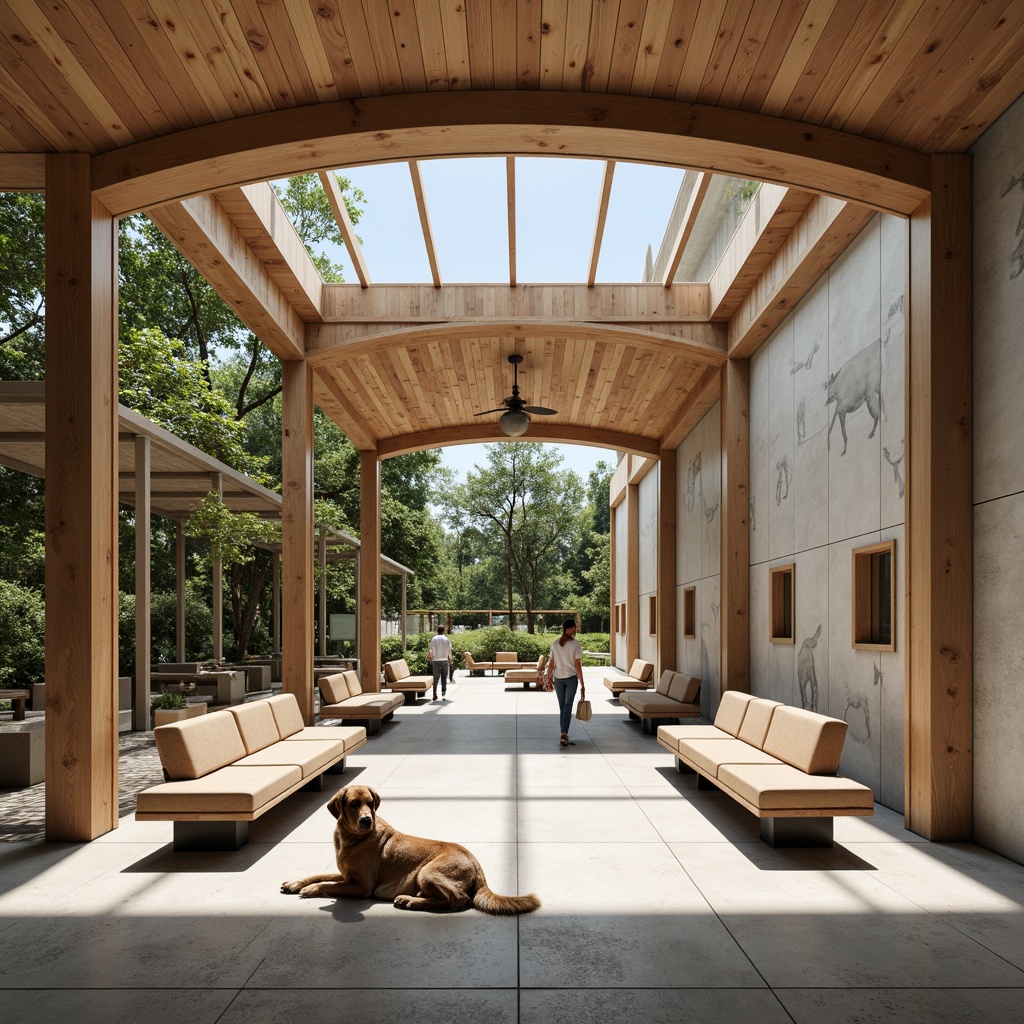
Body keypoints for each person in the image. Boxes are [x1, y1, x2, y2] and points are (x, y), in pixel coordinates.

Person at [546, 618, 584, 747]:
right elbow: (577, 664)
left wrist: (548, 679)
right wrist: (583, 684)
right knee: (566, 706)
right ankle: (563, 734)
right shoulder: (575, 644)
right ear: (567, 629)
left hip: (558, 679)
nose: (574, 629)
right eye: (572, 627)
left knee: (563, 707)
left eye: (575, 627)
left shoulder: (555, 644)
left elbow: (552, 663)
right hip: (571, 678)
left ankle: (563, 733)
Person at [428, 625, 453, 700]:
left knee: (435, 677)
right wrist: (450, 659)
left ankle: (434, 694)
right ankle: (443, 692)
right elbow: (449, 650)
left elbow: (431, 649)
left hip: (435, 660)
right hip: (444, 660)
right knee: (444, 677)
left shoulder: (434, 639)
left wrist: (430, 658)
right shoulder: (446, 639)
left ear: (437, 630)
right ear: (444, 631)